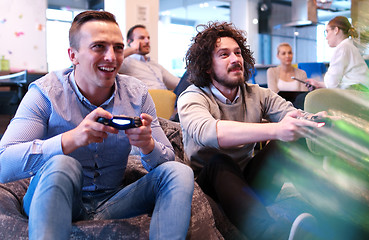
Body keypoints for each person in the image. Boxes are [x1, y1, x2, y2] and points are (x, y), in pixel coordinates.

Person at [0, 10, 194, 239]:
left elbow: (165, 160)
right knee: (62, 163)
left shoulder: (137, 94)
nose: (112, 57)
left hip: (113, 200)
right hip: (57, 197)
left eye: (118, 48)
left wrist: (148, 146)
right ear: (73, 55)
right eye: (99, 47)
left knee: (179, 171)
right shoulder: (46, 93)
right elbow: (4, 164)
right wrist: (71, 139)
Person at [178, 21, 326, 240]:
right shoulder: (192, 97)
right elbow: (210, 132)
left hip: (247, 182)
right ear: (207, 66)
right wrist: (275, 130)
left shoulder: (256, 93)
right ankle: (271, 234)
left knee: (291, 139)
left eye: (238, 53)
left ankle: (328, 211)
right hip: (210, 188)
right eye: (224, 54)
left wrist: (317, 120)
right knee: (220, 161)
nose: (236, 59)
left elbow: (290, 113)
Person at [306, 16, 369, 91]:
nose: (326, 37)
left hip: (356, 92)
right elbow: (333, 83)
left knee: (305, 98)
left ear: (336, 30)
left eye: (327, 31)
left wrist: (322, 84)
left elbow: (331, 83)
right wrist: (318, 84)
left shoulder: (342, 48)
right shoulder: (348, 46)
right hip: (361, 91)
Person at [120, 24, 180, 90]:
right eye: (142, 38)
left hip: (166, 97)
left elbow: (178, 83)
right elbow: (113, 59)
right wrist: (133, 49)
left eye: (148, 38)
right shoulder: (126, 62)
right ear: (130, 42)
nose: (147, 41)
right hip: (148, 98)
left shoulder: (155, 64)